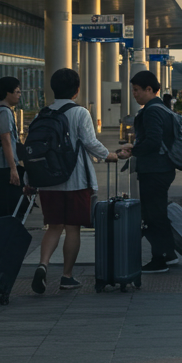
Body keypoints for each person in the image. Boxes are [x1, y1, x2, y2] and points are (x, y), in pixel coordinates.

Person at [31, 68, 118, 294]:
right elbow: (90, 142)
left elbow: (34, 150)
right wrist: (109, 155)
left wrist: (28, 178)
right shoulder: (80, 113)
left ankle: (43, 265)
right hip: (76, 180)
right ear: (77, 90)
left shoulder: (42, 114)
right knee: (72, 228)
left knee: (52, 227)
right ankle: (67, 276)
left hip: (48, 181)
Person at [117, 70, 177, 274]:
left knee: (153, 214)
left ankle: (159, 260)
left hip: (155, 169)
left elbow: (152, 141)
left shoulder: (152, 110)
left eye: (136, 90)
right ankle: (169, 254)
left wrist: (132, 151)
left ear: (149, 89)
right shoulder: (161, 108)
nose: (134, 94)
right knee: (157, 212)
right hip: (162, 168)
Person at [0, 76, 23, 217]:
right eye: (17, 92)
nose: (19, 95)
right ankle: (2, 231)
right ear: (8, 93)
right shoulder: (4, 111)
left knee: (3, 201)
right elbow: (6, 140)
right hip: (3, 164)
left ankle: (0, 230)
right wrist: (13, 168)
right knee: (8, 204)